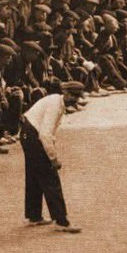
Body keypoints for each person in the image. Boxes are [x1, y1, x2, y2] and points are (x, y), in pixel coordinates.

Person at [20, 82, 84, 233]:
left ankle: (34, 216)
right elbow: (45, 134)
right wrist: (53, 158)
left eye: (77, 96)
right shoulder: (55, 105)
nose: (75, 99)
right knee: (50, 177)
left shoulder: (57, 101)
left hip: (28, 133)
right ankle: (61, 221)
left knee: (34, 176)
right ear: (65, 93)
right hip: (33, 135)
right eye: (73, 96)